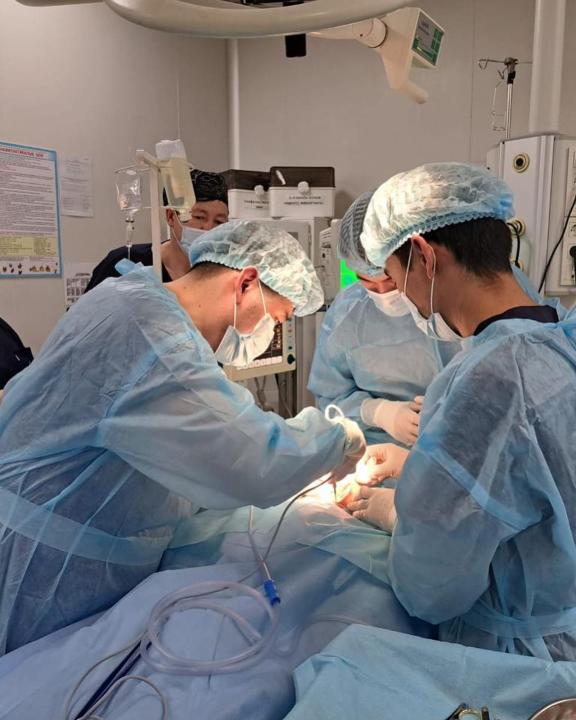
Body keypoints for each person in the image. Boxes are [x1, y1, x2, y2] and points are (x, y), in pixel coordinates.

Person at [0, 220, 365, 655]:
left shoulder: (127, 299)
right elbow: (255, 459)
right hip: (43, 562)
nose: (270, 332)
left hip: (56, 533)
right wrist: (338, 438)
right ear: (246, 283)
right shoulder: (155, 342)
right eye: (276, 318)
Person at [346, 162, 576, 661]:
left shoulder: (490, 379)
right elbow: (542, 479)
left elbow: (432, 589)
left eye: (394, 276)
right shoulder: (560, 336)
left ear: (424, 256)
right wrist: (422, 467)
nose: (402, 297)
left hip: (522, 658)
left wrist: (404, 514)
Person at [308, 192, 460, 447]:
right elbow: (329, 396)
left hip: (456, 449)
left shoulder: (454, 299)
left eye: (390, 279)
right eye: (367, 281)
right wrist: (379, 412)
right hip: (374, 450)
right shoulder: (347, 313)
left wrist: (453, 412)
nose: (383, 294)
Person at [85, 169, 229, 289]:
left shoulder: (223, 274)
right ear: (171, 216)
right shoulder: (126, 261)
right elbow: (84, 314)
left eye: (219, 221)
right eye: (199, 217)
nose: (209, 229)